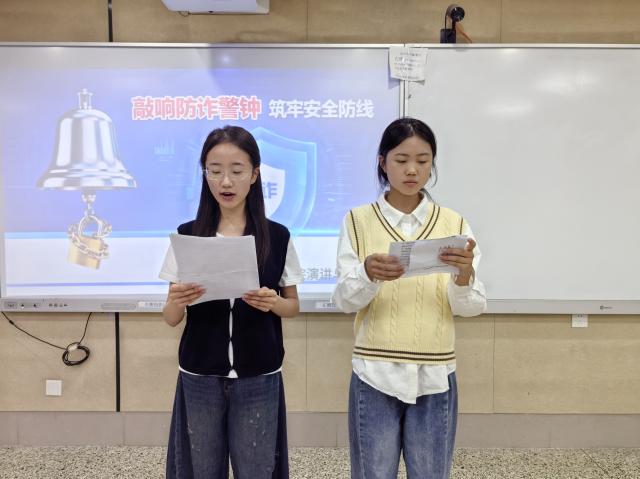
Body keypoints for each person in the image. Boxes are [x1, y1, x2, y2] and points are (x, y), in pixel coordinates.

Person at [332, 117, 487, 479]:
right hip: (374, 371)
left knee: (431, 473)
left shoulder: (454, 224)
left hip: (435, 372)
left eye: (422, 160)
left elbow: (471, 307)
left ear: (433, 163)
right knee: (372, 473)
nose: (412, 170)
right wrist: (367, 273)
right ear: (382, 162)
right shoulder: (357, 221)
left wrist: (464, 274)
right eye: (401, 160)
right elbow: (344, 301)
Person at [159, 125, 303, 479]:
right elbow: (171, 317)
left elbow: (292, 306)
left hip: (259, 373)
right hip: (200, 374)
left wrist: (272, 302)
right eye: (215, 170)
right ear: (205, 174)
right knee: (201, 469)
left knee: (257, 469)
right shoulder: (187, 235)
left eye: (237, 171)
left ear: (254, 174)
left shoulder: (277, 236)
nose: (226, 181)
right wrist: (177, 300)